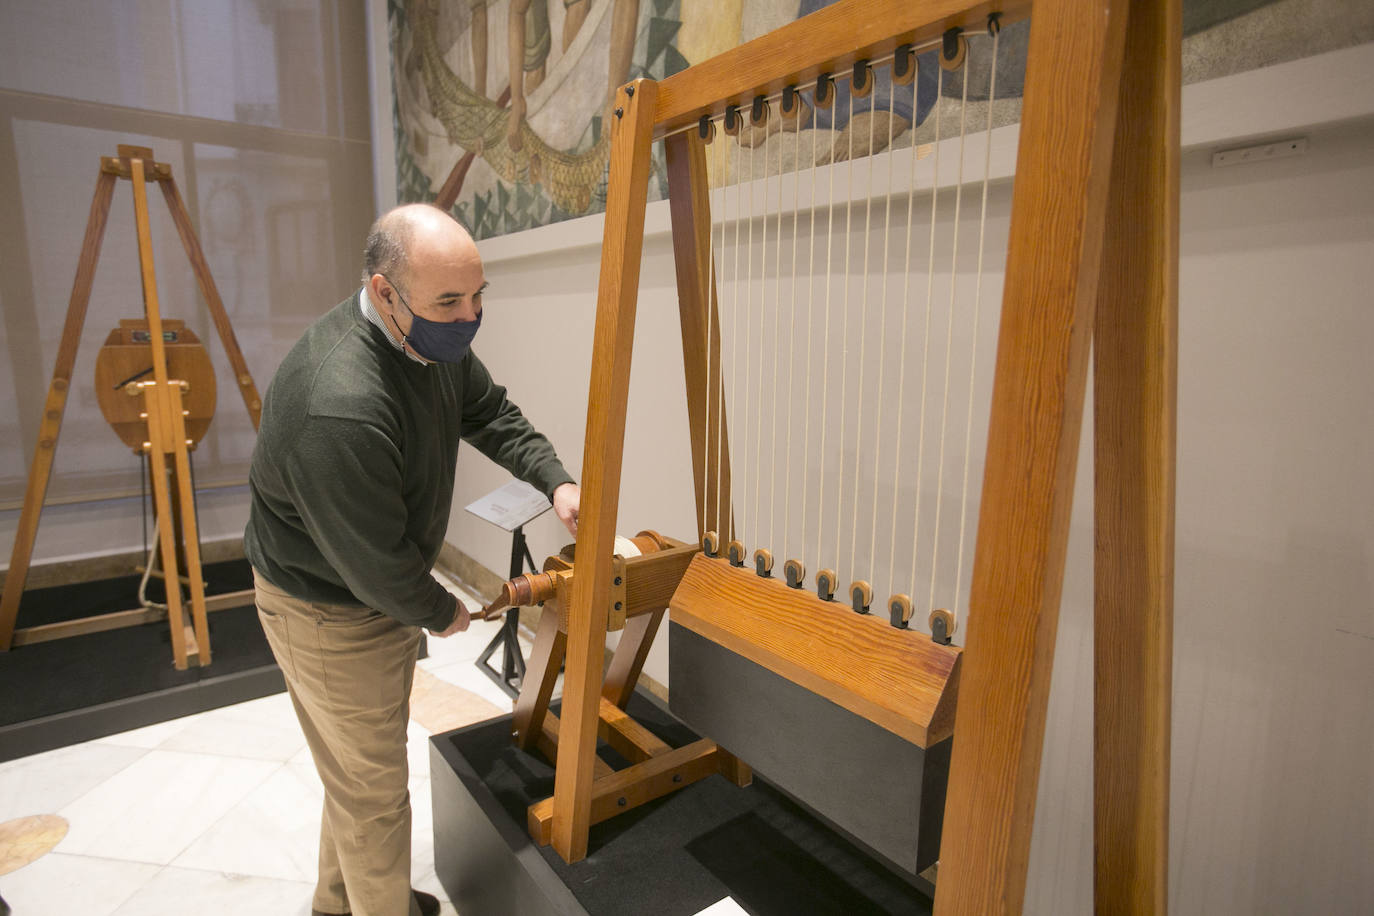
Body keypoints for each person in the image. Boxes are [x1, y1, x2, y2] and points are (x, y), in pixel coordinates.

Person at [244, 203, 579, 916]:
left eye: (478, 296)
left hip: (361, 589)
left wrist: (555, 478)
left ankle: (339, 905)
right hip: (329, 610)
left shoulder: (428, 344)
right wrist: (442, 610)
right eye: (449, 302)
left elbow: (488, 410)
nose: (468, 317)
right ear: (384, 292)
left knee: (353, 772)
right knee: (375, 797)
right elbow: (378, 568)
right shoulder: (336, 404)